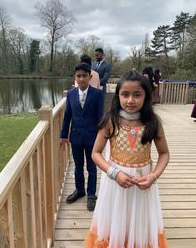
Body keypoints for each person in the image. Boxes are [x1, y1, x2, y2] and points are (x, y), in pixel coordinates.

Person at [85, 70, 170, 247]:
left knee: (139, 222)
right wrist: (114, 173)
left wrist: (153, 176)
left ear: (146, 96)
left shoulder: (153, 123)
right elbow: (95, 153)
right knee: (115, 220)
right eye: (125, 94)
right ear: (118, 96)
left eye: (137, 95)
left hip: (143, 184)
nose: (130, 100)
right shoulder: (111, 121)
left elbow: (164, 154)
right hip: (115, 183)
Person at [60, 62, 104, 211]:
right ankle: (80, 190)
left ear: (90, 77)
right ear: (75, 77)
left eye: (84, 76)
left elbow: (100, 118)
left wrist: (101, 138)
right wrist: (63, 135)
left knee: (92, 167)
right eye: (78, 76)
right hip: (76, 137)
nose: (81, 79)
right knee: (78, 166)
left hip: (92, 138)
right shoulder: (71, 94)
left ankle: (91, 194)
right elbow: (67, 116)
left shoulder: (97, 94)